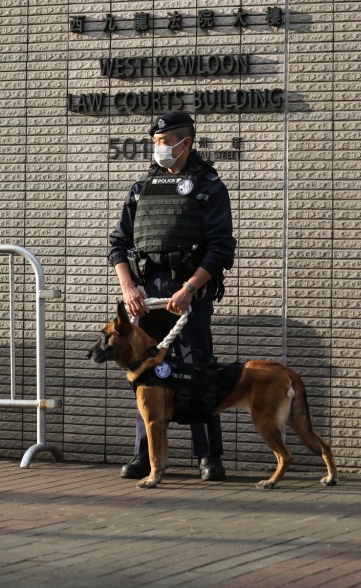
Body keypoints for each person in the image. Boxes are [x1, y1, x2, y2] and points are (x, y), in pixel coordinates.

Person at [107, 111, 236, 482]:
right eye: (156, 142)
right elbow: (118, 244)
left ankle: (209, 456)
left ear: (186, 142)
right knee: (146, 372)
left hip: (188, 293)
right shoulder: (142, 188)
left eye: (165, 142)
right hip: (147, 296)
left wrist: (191, 287)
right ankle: (145, 456)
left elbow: (220, 248)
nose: (159, 148)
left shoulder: (208, 186)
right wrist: (129, 288)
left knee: (197, 371)